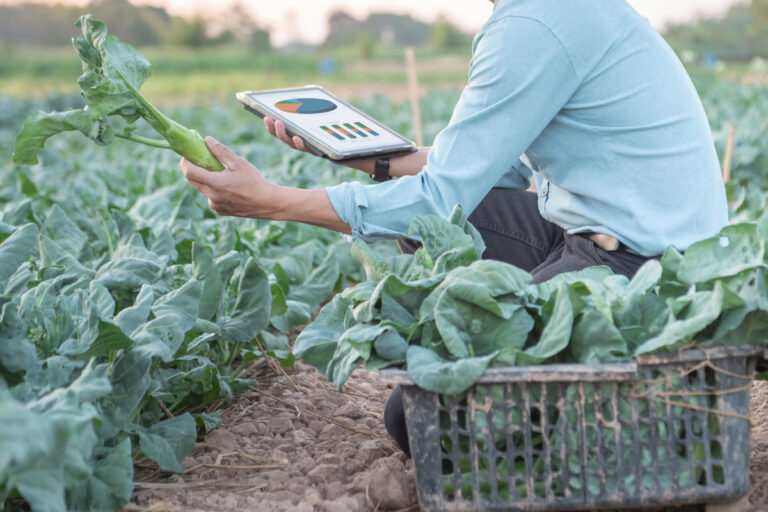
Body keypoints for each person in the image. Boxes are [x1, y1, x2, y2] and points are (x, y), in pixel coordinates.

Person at [180, 0, 727, 457]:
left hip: (644, 269)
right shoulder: (557, 10)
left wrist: (274, 202)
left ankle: (633, 409)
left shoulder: (531, 27)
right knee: (430, 232)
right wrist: (368, 157)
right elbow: (491, 166)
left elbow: (441, 193)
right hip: (613, 232)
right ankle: (540, 350)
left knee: (424, 423)